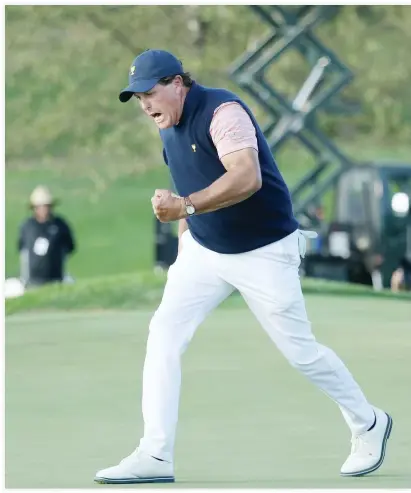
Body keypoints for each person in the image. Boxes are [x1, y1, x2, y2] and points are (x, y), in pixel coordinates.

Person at [95, 50, 392, 484]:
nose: (145, 104)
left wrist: (185, 207)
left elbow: (246, 176)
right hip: (204, 249)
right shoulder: (167, 124)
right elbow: (188, 183)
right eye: (138, 98)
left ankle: (368, 422)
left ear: (177, 82)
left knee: (301, 353)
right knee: (164, 335)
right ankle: (155, 455)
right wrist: (185, 243)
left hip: (265, 251)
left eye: (150, 93)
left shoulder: (223, 111)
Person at [18, 185, 76, 287]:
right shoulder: (27, 227)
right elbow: (23, 250)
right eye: (40, 206)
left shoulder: (60, 225)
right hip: (33, 279)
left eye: (46, 206)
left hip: (56, 278)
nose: (44, 209)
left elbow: (70, 247)